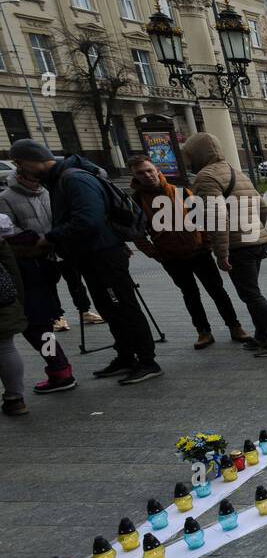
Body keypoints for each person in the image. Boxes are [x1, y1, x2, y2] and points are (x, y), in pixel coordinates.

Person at [18, 140, 163, 383]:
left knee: (124, 308)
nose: (19, 169)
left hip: (103, 255)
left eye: (20, 163)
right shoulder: (61, 178)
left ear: (33, 159)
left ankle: (148, 361)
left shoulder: (74, 179)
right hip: (91, 256)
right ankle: (126, 356)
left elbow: (88, 221)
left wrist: (51, 238)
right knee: (109, 309)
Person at [182, 132, 267, 357]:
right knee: (252, 291)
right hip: (255, 240)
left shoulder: (206, 177)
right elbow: (261, 207)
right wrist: (256, 230)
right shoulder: (236, 171)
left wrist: (221, 252)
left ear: (197, 154)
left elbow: (216, 216)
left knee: (250, 294)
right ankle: (262, 336)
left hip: (237, 246)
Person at [128, 155, 250, 345]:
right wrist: (155, 253)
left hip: (199, 253)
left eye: (149, 170)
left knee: (217, 291)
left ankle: (235, 326)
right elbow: (137, 234)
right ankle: (203, 331)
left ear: (157, 171)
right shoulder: (136, 201)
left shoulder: (181, 192)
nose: (147, 175)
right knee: (190, 295)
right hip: (171, 257)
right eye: (141, 173)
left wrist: (207, 244)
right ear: (135, 176)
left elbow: (202, 219)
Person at [0, 159, 77, 392]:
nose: (37, 182)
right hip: (24, 267)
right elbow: (11, 237)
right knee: (39, 326)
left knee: (39, 326)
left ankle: (59, 369)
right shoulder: (6, 199)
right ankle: (58, 368)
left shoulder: (47, 192)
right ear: (21, 175)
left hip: (43, 266)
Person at [0, 230, 29, 414]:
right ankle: (15, 398)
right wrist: (17, 298)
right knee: (5, 346)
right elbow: (11, 267)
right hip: (2, 298)